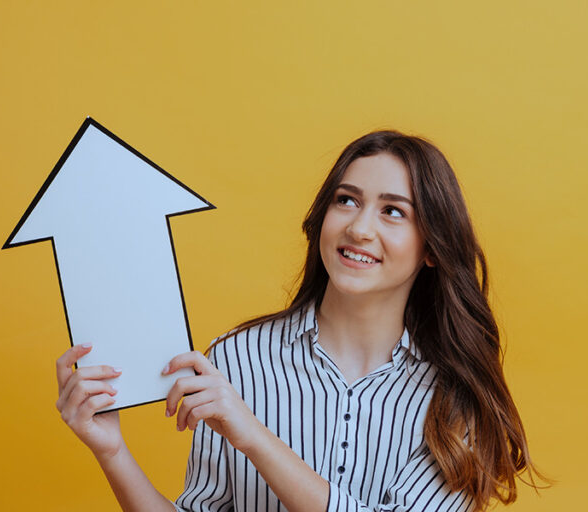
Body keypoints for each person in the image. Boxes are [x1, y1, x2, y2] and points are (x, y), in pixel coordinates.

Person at [54, 130, 550, 511]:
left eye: (393, 211)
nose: (359, 228)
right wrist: (111, 450)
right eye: (347, 200)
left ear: (433, 249)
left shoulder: (456, 397)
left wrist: (253, 436)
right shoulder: (235, 362)